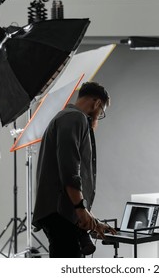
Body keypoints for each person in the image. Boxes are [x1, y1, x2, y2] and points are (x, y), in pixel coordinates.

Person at [32, 82, 116, 258]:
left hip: (61, 211)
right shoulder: (75, 119)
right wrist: (79, 209)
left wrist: (91, 219)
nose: (99, 116)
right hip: (61, 213)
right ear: (97, 104)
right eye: (102, 112)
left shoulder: (65, 118)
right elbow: (69, 169)